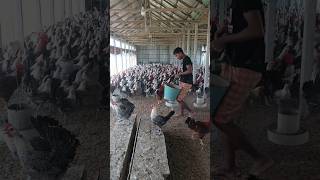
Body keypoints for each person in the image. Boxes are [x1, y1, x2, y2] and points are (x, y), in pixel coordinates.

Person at [212, 0, 273, 178]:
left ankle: (260, 158)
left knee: (220, 118)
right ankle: (229, 166)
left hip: (246, 66)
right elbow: (247, 27)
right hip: (239, 63)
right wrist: (225, 31)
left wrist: (224, 39)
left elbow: (256, 30)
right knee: (224, 117)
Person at [173, 47, 195, 117]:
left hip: (187, 81)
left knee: (178, 99)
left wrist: (179, 74)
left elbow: (190, 70)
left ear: (180, 53)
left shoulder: (187, 59)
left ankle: (191, 111)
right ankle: (182, 113)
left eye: (176, 55)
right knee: (181, 98)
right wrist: (180, 73)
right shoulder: (184, 59)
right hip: (184, 80)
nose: (176, 57)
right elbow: (186, 70)